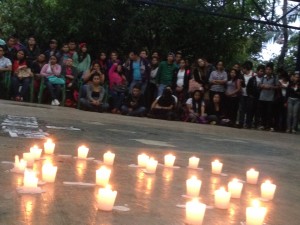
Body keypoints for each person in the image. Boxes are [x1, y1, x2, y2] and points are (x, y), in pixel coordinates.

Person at [258, 62, 278, 131]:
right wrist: (262, 86)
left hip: (270, 98)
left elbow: (278, 86)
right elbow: (259, 85)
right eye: (267, 69)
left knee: (270, 113)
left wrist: (270, 87)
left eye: (269, 69)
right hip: (262, 97)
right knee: (262, 112)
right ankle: (263, 125)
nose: (268, 71)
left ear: (272, 70)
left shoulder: (275, 77)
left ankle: (269, 126)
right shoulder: (263, 77)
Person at [238, 60, 255, 128]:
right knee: (241, 109)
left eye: (243, 68)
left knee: (249, 110)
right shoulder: (241, 75)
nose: (242, 70)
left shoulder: (253, 75)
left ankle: (248, 123)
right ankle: (241, 123)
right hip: (243, 94)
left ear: (246, 68)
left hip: (250, 95)